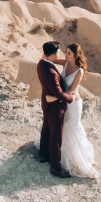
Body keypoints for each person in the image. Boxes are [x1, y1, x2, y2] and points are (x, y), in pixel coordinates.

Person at [35, 43, 99, 180]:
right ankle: (55, 160)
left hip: (72, 102)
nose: (65, 55)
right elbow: (50, 59)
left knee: (72, 127)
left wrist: (57, 97)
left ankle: (72, 156)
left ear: (76, 55)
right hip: (63, 100)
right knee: (58, 130)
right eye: (65, 52)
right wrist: (44, 56)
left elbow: (71, 91)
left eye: (69, 53)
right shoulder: (65, 62)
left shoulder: (79, 71)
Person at [36, 41, 73, 178]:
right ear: (52, 54)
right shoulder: (51, 71)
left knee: (46, 128)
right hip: (55, 107)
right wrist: (70, 98)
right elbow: (58, 94)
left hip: (46, 103)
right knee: (56, 137)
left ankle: (43, 155)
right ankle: (55, 168)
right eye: (57, 52)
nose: (59, 54)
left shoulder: (41, 63)